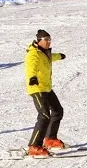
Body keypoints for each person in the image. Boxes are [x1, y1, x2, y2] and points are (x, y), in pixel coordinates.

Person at [24, 29, 66, 157]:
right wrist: (32, 77)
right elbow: (31, 66)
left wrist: (60, 56)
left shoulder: (45, 53)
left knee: (58, 111)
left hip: (46, 88)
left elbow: (51, 58)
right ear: (39, 41)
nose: (48, 42)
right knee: (44, 116)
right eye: (46, 40)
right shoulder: (33, 54)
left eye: (49, 39)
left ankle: (50, 139)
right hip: (36, 88)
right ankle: (34, 146)